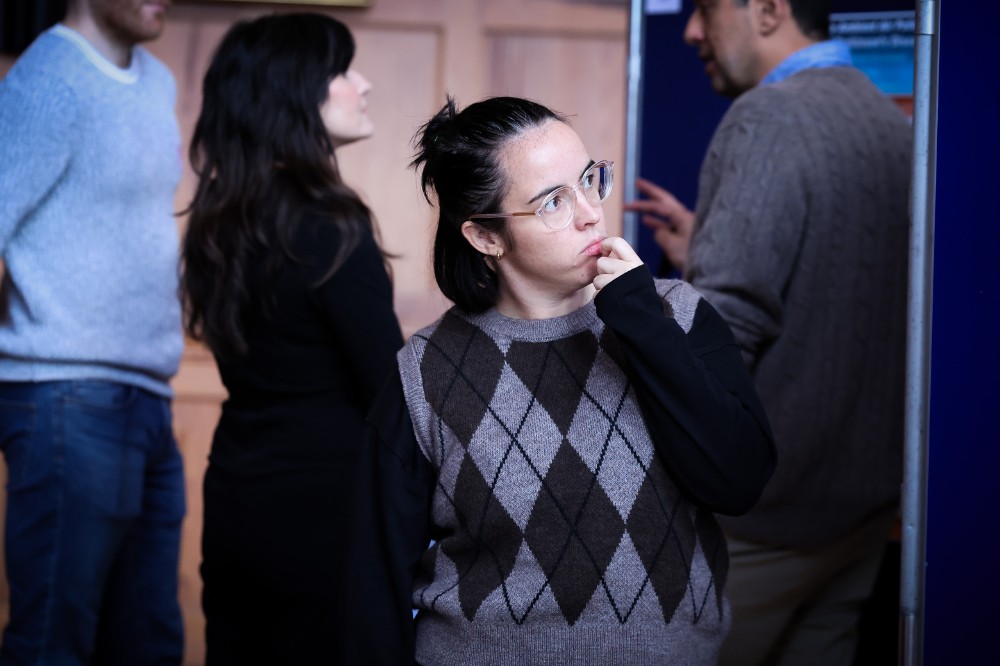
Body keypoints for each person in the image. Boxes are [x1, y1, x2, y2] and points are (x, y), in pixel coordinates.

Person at [341, 95, 776, 665]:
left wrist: (643, 323)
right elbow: (372, 589)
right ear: (486, 237)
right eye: (552, 201)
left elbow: (738, 483)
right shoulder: (425, 372)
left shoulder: (679, 316)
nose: (591, 211)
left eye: (589, 179)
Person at [624, 1, 912, 664]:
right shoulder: (889, 123)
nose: (691, 30)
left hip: (758, 522)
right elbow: (837, 294)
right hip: (859, 515)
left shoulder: (766, 116)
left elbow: (724, 329)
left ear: (768, 9)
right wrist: (708, 249)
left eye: (705, 8)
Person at [180, 12, 404, 664]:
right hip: (325, 509)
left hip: (237, 497)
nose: (361, 83)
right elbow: (388, 389)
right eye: (341, 69)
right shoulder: (332, 224)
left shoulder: (219, 223)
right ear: (296, 89)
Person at [0, 0, 185, 664]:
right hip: (65, 395)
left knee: (147, 639)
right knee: (54, 637)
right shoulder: (47, 78)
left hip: (147, 392)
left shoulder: (157, 79)